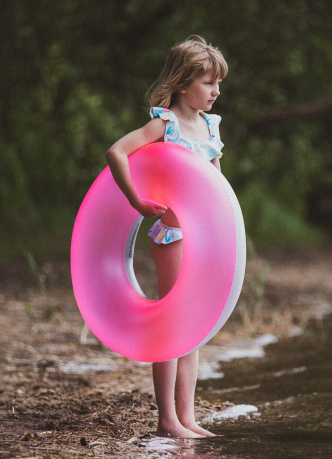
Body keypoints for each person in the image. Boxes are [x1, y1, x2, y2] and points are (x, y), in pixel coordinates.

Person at [105, 35, 227, 439]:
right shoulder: (165, 124)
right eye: (208, 83)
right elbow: (116, 152)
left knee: (193, 328)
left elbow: (217, 186)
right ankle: (167, 419)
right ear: (183, 84)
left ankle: (187, 417)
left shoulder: (210, 126)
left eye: (218, 83)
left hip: (202, 239)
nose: (216, 91)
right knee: (172, 324)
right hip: (172, 235)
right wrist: (136, 200)